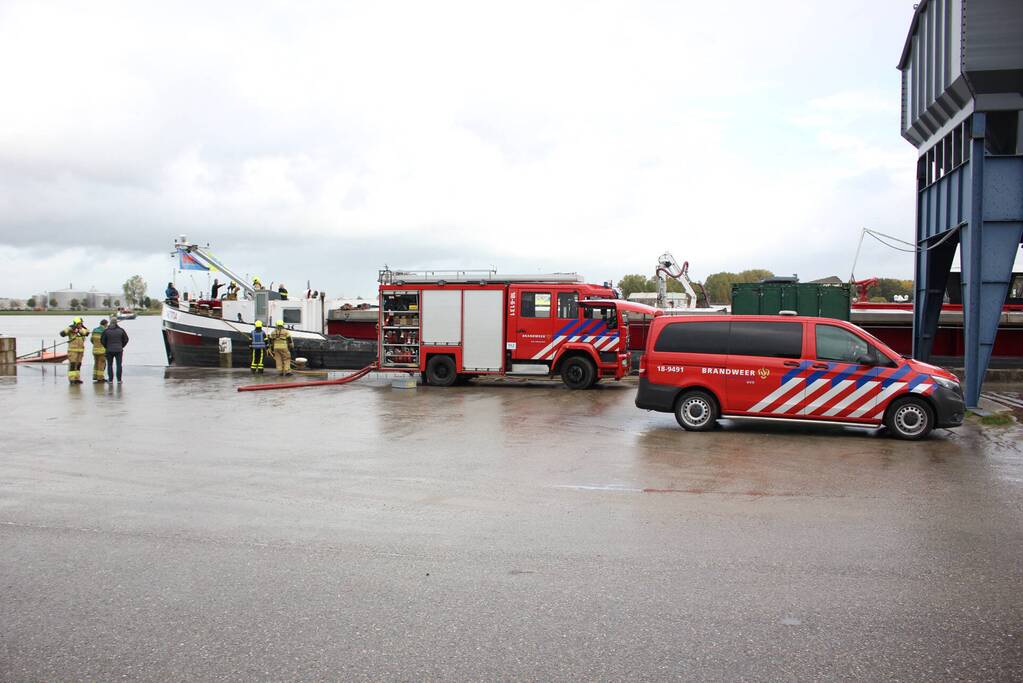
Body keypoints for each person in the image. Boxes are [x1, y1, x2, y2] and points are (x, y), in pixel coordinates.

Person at [59, 317, 89, 384]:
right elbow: (62, 334)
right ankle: (72, 379)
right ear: (76, 323)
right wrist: (70, 328)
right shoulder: (70, 329)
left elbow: (87, 333)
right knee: (72, 364)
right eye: (79, 323)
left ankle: (77, 378)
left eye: (81, 323)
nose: (81, 324)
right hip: (72, 350)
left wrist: (80, 329)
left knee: (78, 364)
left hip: (80, 350)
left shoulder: (82, 329)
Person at [100, 318, 129, 383]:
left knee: (109, 365)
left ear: (110, 323)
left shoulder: (106, 331)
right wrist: (121, 346)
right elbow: (126, 339)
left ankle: (110, 380)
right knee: (119, 365)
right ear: (116, 323)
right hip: (119, 350)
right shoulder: (121, 330)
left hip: (109, 350)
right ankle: (119, 380)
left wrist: (106, 347)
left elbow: (102, 340)